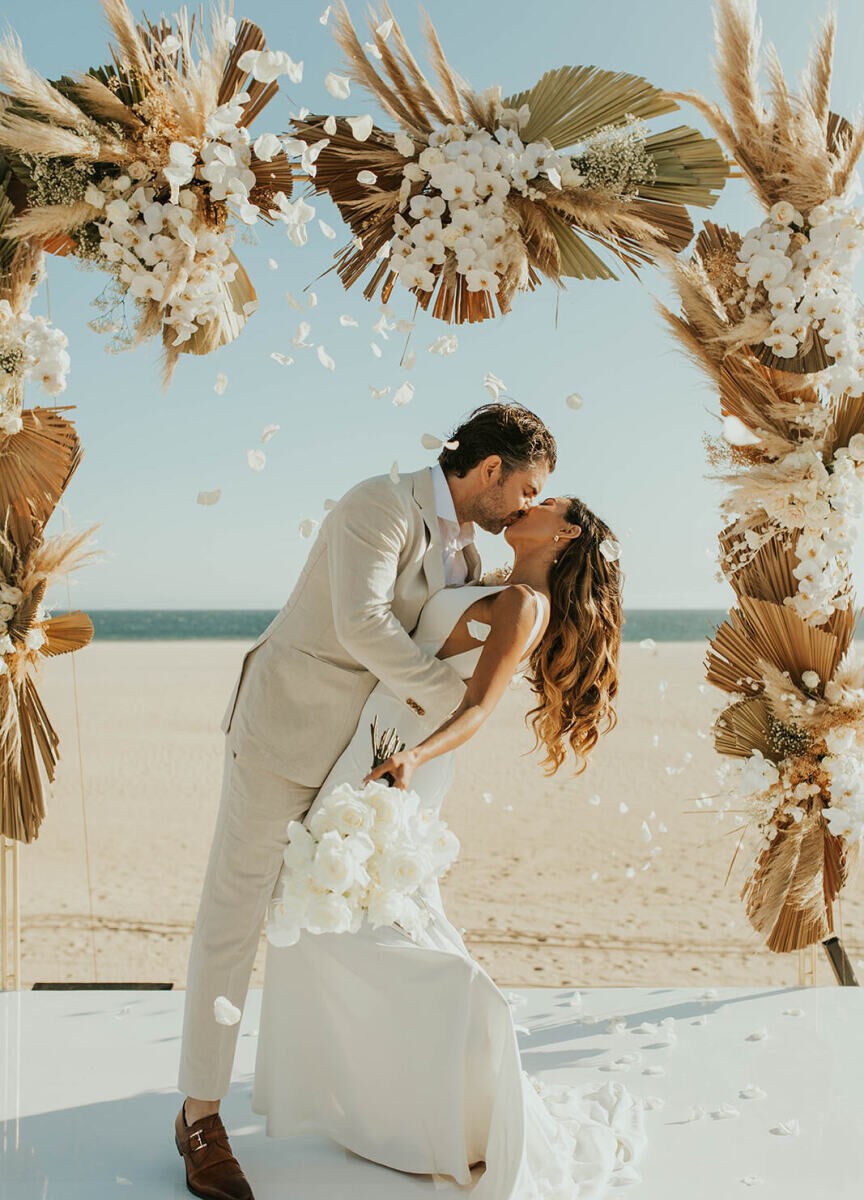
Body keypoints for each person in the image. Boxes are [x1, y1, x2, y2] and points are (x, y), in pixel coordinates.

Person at [174, 402, 557, 1200]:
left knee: (341, 922)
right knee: (235, 913)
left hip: (360, 760)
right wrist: (442, 705)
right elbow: (360, 625)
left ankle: (376, 1105)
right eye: (526, 485)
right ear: (489, 471)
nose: (525, 502)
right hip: (286, 731)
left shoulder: (471, 547)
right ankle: (199, 1117)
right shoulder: (378, 504)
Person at [251, 491, 648, 1196]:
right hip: (375, 742)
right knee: (330, 910)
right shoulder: (489, 579)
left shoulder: (525, 605)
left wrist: (415, 758)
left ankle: (467, 1041)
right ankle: (402, 1104)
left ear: (564, 536)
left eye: (547, 501)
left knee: (349, 914)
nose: (530, 501)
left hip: (403, 754)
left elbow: (477, 709)